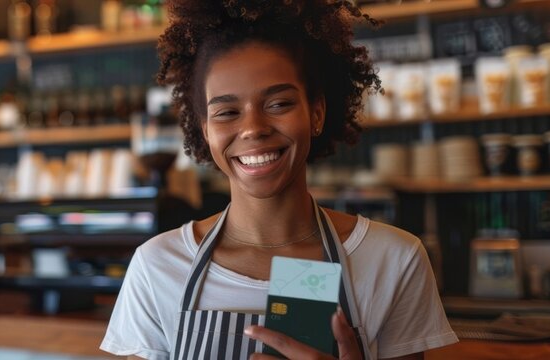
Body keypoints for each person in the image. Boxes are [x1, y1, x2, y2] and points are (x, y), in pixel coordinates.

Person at [100, 1, 458, 359]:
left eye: (279, 104)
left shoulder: (393, 259)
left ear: (316, 113)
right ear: (205, 131)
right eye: (227, 112)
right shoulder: (157, 266)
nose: (254, 129)